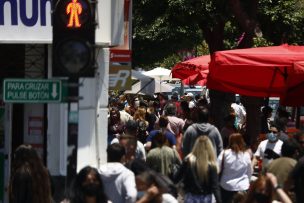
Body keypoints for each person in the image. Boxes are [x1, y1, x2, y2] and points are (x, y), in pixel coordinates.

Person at [174, 136, 222, 203]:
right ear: (210, 148)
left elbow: (176, 177)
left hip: (190, 197)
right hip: (206, 198)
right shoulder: (212, 165)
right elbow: (215, 186)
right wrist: (219, 200)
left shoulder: (188, 161)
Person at [217, 133, 252, 203]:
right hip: (243, 187)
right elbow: (249, 172)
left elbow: (217, 169)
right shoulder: (246, 155)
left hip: (226, 187)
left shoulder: (224, 153)